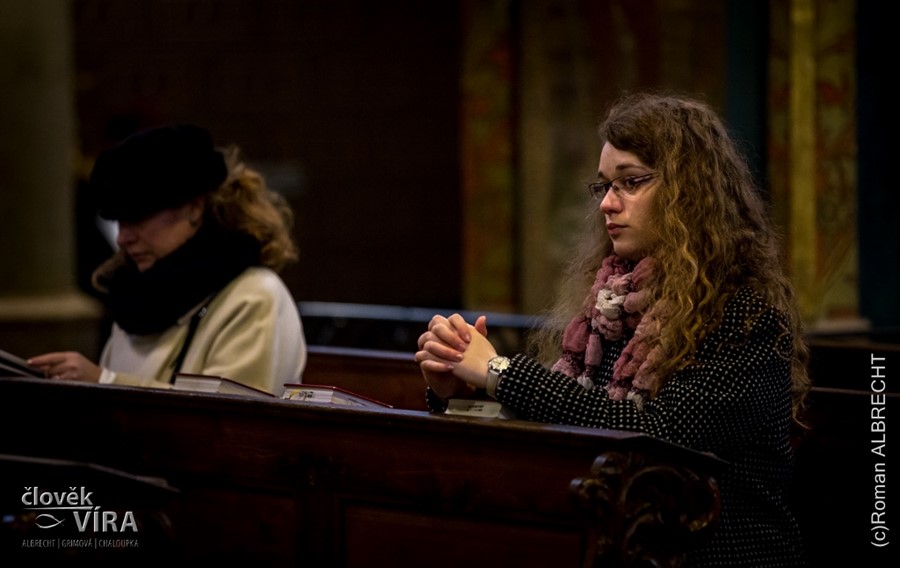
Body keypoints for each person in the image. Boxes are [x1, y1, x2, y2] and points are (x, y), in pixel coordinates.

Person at [416, 93, 811, 567]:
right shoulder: (610, 305)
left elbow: (656, 437)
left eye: (630, 182)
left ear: (689, 191)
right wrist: (457, 394)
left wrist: (500, 370)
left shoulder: (746, 315)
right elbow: (558, 428)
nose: (606, 203)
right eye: (604, 185)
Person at [29, 123, 307, 395]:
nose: (122, 238)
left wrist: (104, 381)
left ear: (195, 207)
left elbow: (230, 417)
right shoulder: (135, 293)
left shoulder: (253, 297)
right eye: (118, 221)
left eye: (137, 218)